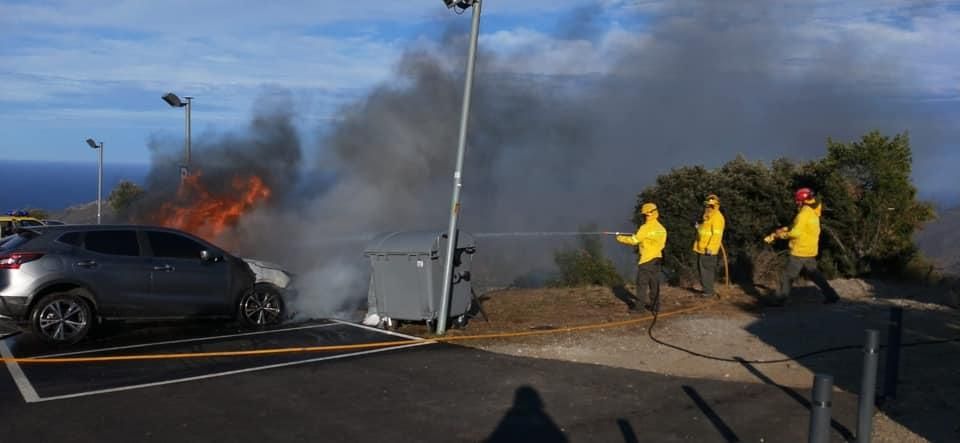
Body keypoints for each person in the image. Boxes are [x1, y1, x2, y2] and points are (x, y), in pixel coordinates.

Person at [764, 187, 840, 305]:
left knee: (787, 276)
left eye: (797, 200)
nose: (796, 202)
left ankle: (779, 300)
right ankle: (832, 295)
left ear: (802, 200)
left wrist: (780, 235)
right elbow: (800, 227)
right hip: (810, 249)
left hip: (800, 250)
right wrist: (785, 229)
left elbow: (795, 233)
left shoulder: (804, 214)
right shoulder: (813, 211)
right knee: (815, 275)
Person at [617, 202, 668, 313]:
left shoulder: (645, 228)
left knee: (642, 285)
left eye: (646, 214)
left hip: (646, 260)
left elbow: (634, 240)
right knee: (654, 284)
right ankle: (655, 307)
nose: (645, 216)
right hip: (657, 259)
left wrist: (620, 238)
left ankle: (639, 308)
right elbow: (662, 245)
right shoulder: (661, 228)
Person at [693, 194, 725, 298]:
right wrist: (699, 227)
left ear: (716, 205)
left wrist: (711, 248)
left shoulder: (717, 218)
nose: (709, 208)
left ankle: (708, 293)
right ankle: (707, 291)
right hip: (702, 248)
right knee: (703, 271)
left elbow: (717, 235)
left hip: (708, 250)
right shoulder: (707, 216)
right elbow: (705, 230)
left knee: (707, 271)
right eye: (708, 205)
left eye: (711, 206)